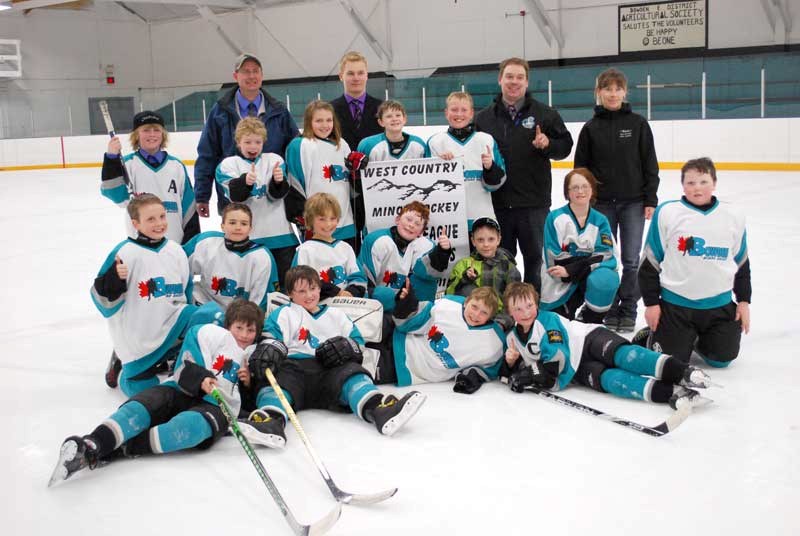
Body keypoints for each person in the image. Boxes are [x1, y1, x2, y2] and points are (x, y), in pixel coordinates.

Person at [49, 300, 281, 486]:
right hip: (180, 389)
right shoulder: (214, 334)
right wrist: (201, 378)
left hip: (216, 407)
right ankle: (92, 444)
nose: (243, 334)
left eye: (250, 330)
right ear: (228, 325)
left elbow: (249, 400)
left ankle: (122, 448)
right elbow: (188, 356)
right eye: (239, 327)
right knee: (142, 405)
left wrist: (248, 382)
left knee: (187, 429)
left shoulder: (252, 355)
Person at [245, 265, 426, 438]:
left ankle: (379, 410)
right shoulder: (283, 314)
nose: (309, 295)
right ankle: (270, 420)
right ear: (291, 294)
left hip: (328, 371)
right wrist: (270, 348)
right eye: (301, 291)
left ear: (319, 288)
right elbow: (269, 339)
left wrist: (347, 347)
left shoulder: (336, 315)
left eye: (313, 288)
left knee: (351, 374)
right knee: (274, 379)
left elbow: (358, 345)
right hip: (294, 369)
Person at [499, 282, 712, 410]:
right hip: (576, 370)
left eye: (530, 306)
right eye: (518, 309)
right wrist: (513, 369)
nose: (526, 312)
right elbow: (511, 371)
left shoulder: (546, 321)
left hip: (588, 339)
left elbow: (557, 359)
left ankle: (683, 372)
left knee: (625, 357)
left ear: (536, 303)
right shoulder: (513, 338)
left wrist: (530, 374)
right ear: (510, 313)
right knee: (613, 382)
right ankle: (671, 392)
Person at [92, 194, 222, 396]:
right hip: (139, 338)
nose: (159, 223)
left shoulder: (175, 250)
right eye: (150, 219)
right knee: (145, 391)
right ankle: (123, 365)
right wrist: (113, 280)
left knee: (212, 314)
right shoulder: (125, 252)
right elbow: (102, 301)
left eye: (162, 216)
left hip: (171, 324)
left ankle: (182, 364)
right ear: (135, 223)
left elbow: (185, 293)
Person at [637, 157, 750, 367]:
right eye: (690, 183)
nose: (697, 188)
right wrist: (652, 304)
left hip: (719, 306)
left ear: (714, 183)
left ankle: (696, 339)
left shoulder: (733, 215)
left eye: (703, 182)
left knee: (722, 360)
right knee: (672, 361)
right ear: (683, 185)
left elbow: (742, 263)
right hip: (676, 305)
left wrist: (743, 301)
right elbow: (649, 263)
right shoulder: (668, 213)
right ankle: (661, 335)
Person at [475, 58, 573, 292]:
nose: (514, 82)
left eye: (519, 77)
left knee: (534, 263)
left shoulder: (545, 114)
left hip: (534, 205)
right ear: (500, 79)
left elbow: (566, 146)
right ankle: (502, 307)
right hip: (498, 204)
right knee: (500, 263)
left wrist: (548, 143)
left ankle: (533, 307)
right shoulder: (483, 118)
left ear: (527, 81)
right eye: (509, 76)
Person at [574, 67, 660, 332]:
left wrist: (650, 199)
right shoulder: (590, 128)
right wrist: (583, 201)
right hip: (601, 206)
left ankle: (629, 308)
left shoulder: (638, 124)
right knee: (605, 258)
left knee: (631, 259)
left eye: (617, 88)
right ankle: (611, 307)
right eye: (607, 89)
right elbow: (581, 169)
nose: (613, 94)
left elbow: (650, 164)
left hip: (633, 203)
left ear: (625, 91)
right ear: (598, 92)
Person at [195, 53, 299, 217]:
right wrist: (202, 195)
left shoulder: (279, 111)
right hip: (234, 203)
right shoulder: (220, 112)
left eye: (255, 71)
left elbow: (294, 153)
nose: (251, 76)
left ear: (262, 75)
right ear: (236, 76)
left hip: (272, 204)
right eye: (245, 71)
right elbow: (207, 155)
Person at [365, 284, 506, 392]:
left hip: (403, 366)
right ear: (466, 302)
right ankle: (362, 293)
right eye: (474, 307)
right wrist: (407, 307)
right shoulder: (449, 306)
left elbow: (490, 368)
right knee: (365, 324)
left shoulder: (493, 343)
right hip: (397, 333)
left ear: (490, 317)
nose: (476, 315)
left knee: (354, 361)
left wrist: (472, 377)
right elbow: (410, 323)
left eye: (484, 313)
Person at [214, 117, 297, 285]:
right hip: (249, 239)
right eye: (248, 142)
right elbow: (235, 197)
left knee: (286, 285)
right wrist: (245, 182)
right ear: (238, 142)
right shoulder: (228, 165)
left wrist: (278, 182)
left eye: (258, 142)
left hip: (281, 237)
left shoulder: (275, 160)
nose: (253, 146)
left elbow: (277, 195)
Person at [101, 110, 199, 245]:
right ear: (136, 135)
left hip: (175, 245)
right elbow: (119, 198)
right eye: (146, 130)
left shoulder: (176, 166)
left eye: (156, 130)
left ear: (163, 134)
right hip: (141, 245)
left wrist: (191, 242)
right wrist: (111, 158)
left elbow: (189, 207)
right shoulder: (128, 164)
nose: (152, 134)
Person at [539, 168, 619, 324]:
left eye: (585, 186)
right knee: (555, 326)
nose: (580, 191)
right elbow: (555, 262)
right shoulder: (555, 218)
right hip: (559, 284)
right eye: (575, 187)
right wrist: (588, 261)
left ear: (592, 190)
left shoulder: (601, 220)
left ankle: (591, 321)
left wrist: (571, 269)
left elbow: (606, 257)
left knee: (605, 278)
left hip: (584, 277)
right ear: (567, 192)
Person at [427, 91, 506, 230]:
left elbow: (496, 184)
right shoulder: (435, 142)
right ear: (446, 113)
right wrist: (438, 166)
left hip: (481, 217)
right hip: (447, 221)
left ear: (471, 113)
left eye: (464, 110)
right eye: (454, 110)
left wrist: (490, 168)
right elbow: (426, 186)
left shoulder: (485, 140)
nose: (459, 114)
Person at [331, 51, 384, 250]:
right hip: (343, 186)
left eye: (360, 73)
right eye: (350, 73)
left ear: (367, 75)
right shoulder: (329, 111)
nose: (356, 78)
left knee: (375, 240)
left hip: (376, 185)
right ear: (341, 76)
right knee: (349, 241)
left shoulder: (381, 107)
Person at [286, 101, 357, 247]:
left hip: (346, 222)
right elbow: (295, 185)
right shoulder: (300, 145)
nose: (325, 125)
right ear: (308, 122)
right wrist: (303, 218)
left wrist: (358, 171)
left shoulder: (342, 144)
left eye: (329, 120)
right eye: (319, 120)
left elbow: (351, 183)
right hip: (317, 225)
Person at [359, 200, 452, 312]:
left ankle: (418, 319)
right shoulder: (377, 240)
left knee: (425, 285)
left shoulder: (423, 245)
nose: (411, 225)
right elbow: (364, 277)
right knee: (384, 294)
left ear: (421, 232)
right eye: (408, 219)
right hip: (380, 303)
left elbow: (430, 274)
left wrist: (442, 251)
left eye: (417, 224)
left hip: (408, 305)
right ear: (397, 220)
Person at [184, 203, 279, 311]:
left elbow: (261, 301)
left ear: (250, 228)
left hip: (241, 319)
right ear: (222, 226)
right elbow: (179, 264)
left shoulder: (262, 257)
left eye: (244, 224)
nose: (238, 227)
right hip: (204, 311)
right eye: (232, 223)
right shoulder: (205, 242)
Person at [291, 193, 366, 300]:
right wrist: (335, 292)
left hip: (347, 306)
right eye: (322, 219)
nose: (328, 224)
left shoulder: (345, 248)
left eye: (332, 218)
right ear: (310, 220)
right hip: (317, 308)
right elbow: (299, 282)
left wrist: (350, 293)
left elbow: (359, 278)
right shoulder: (305, 251)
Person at [445, 217, 520, 311]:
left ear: (498, 239)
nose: (486, 244)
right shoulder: (463, 264)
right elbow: (449, 294)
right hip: (469, 319)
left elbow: (516, 303)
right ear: (473, 241)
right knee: (468, 288)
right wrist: (465, 279)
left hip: (496, 320)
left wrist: (501, 323)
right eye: (480, 240)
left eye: (491, 239)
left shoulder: (509, 267)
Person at [357, 100, 427, 162]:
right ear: (381, 122)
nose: (394, 119)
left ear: (404, 119)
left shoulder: (418, 144)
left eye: (398, 115)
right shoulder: (368, 145)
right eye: (389, 116)